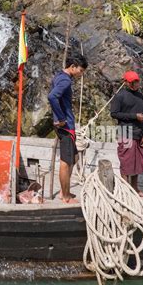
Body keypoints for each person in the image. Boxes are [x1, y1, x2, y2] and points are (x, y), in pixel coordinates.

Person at [48, 53, 88, 204]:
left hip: (64, 125)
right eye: (81, 70)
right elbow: (52, 97)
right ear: (73, 67)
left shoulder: (59, 76)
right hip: (66, 127)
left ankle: (65, 191)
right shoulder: (65, 80)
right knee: (66, 161)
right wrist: (61, 118)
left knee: (74, 157)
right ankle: (65, 196)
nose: (81, 74)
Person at [110, 70, 143, 197]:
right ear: (126, 82)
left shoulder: (141, 96)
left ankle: (135, 189)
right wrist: (134, 116)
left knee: (138, 163)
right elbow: (114, 114)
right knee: (126, 163)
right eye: (133, 82)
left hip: (138, 133)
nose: (136, 84)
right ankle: (125, 191)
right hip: (125, 132)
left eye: (137, 81)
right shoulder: (120, 96)